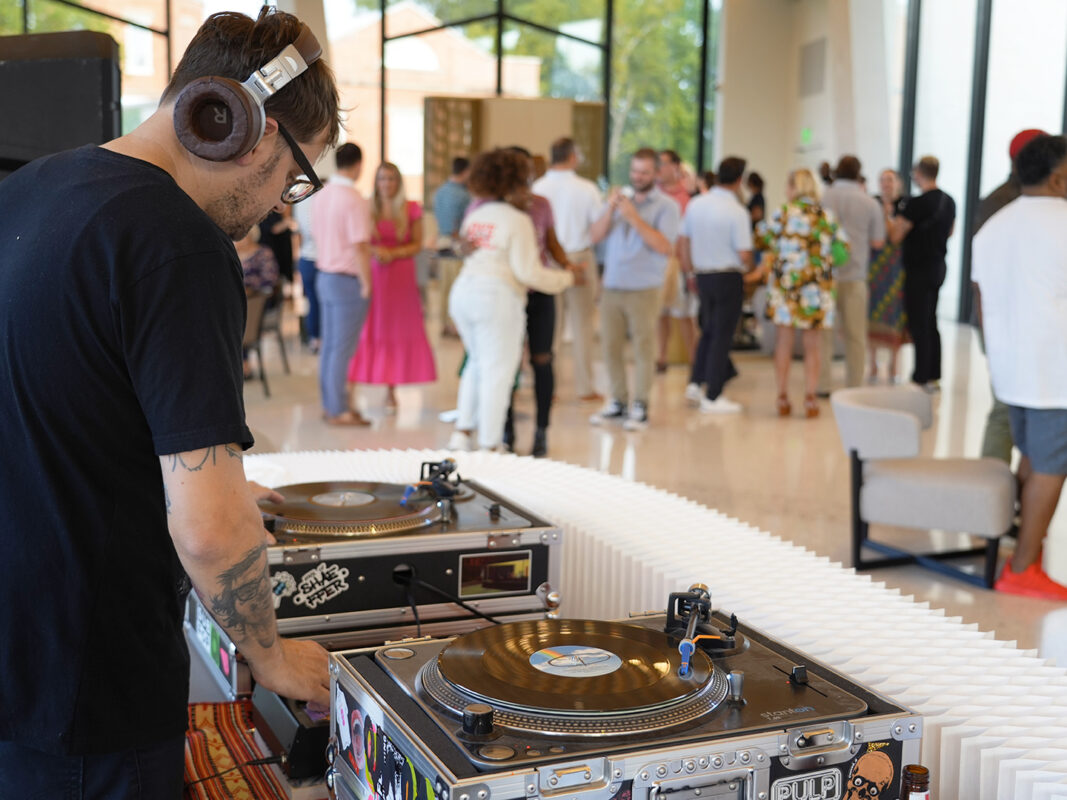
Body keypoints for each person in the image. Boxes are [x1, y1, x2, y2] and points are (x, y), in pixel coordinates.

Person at [0, 8, 340, 796]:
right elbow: (213, 532)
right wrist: (273, 658)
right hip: (87, 692)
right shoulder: (177, 240)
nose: (279, 206)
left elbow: (56, 401)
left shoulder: (33, 186)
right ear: (242, 127)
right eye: (295, 175)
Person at [972, 133, 1067, 601]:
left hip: (1011, 370)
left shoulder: (994, 226)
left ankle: (1028, 551)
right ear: (1057, 176)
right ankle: (1024, 568)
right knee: (1050, 465)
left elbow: (982, 298)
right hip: (1055, 373)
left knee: (1031, 457)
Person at [448, 149, 581, 451]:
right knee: (499, 371)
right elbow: (529, 273)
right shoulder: (516, 220)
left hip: (464, 294)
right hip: (496, 298)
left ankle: (462, 433)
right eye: (524, 182)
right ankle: (491, 445)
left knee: (476, 364)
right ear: (511, 184)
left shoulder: (479, 214)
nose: (528, 189)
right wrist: (568, 279)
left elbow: (466, 248)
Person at [589, 148, 680, 431]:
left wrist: (633, 217)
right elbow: (594, 236)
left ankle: (640, 405)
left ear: (656, 174)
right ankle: (617, 401)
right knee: (610, 346)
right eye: (634, 171)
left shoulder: (666, 206)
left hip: (644, 287)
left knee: (643, 347)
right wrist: (612, 209)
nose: (637, 176)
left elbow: (665, 247)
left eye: (644, 172)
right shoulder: (619, 201)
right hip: (613, 285)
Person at [974, 128, 1046, 463]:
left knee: (1019, 411)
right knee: (1006, 409)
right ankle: (993, 494)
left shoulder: (1003, 199)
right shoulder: (1007, 204)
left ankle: (1004, 494)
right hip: (1006, 323)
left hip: (1011, 323)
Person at [753, 168, 847, 418]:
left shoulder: (782, 213)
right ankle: (810, 397)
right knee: (813, 345)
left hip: (787, 287)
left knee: (783, 342)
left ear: (795, 186)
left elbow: (760, 239)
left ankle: (782, 396)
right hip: (817, 289)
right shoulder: (827, 216)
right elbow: (843, 250)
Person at [505, 146, 580, 457]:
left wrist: (568, 265)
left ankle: (541, 430)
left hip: (540, 294)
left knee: (542, 360)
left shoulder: (541, 205)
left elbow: (552, 243)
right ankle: (506, 430)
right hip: (508, 296)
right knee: (508, 363)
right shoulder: (496, 207)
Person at [347, 163, 436, 412]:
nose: (387, 184)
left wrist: (393, 252)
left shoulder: (411, 209)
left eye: (391, 179)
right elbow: (360, 242)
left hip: (401, 277)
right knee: (370, 327)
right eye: (382, 179)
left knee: (398, 328)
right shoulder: (366, 207)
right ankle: (354, 384)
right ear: (376, 182)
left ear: (398, 182)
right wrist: (378, 251)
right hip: (375, 274)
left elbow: (418, 244)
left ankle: (392, 389)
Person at [678, 156, 754, 414]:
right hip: (728, 276)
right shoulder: (737, 211)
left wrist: (689, 270)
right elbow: (744, 253)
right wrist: (754, 266)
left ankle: (696, 382)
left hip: (702, 275)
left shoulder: (696, 204)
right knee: (721, 335)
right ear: (740, 180)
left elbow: (684, 241)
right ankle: (714, 394)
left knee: (708, 331)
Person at [532, 137, 604, 403]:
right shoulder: (587, 189)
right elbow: (597, 230)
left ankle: (549, 387)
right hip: (579, 258)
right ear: (572, 157)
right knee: (583, 325)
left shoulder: (538, 187)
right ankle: (585, 387)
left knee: (551, 326)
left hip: (547, 260)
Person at [312, 142, 373, 426]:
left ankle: (331, 404)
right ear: (358, 165)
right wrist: (367, 284)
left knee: (329, 346)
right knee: (342, 349)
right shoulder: (353, 198)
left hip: (324, 275)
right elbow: (360, 246)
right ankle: (339, 410)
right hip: (347, 279)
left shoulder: (322, 194)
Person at [889, 155, 955, 391]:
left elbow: (896, 235)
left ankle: (920, 376)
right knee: (931, 319)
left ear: (918, 173)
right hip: (938, 266)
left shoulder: (916, 204)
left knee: (919, 322)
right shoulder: (949, 201)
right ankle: (933, 375)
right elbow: (950, 232)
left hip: (918, 269)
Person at [819, 155, 885, 392]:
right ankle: (854, 385)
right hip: (856, 275)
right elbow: (878, 242)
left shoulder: (824, 197)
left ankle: (822, 384)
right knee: (856, 336)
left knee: (823, 335)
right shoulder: (869, 202)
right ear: (859, 173)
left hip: (825, 275)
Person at [655, 148, 699, 375]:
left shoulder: (688, 199)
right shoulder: (654, 195)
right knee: (660, 314)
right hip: (657, 264)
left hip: (680, 264)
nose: (659, 169)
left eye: (663, 163)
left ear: (676, 167)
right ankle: (661, 357)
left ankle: (694, 360)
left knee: (685, 315)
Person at [866, 169, 909, 382]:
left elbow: (896, 236)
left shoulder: (904, 205)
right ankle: (872, 363)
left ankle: (894, 366)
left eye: (890, 180)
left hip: (896, 265)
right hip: (875, 264)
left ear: (898, 183)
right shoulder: (873, 203)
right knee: (872, 311)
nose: (886, 184)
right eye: (882, 180)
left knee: (894, 313)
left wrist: (888, 217)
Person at [433, 156, 471, 337]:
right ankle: (455, 325)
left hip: (442, 242)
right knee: (457, 286)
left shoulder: (439, 191)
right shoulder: (465, 195)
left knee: (444, 286)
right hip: (457, 244)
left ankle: (444, 323)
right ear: (466, 172)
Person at [293, 191, 321, 352]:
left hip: (306, 258)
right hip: (318, 260)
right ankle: (317, 338)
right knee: (319, 303)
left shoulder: (301, 204)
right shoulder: (320, 206)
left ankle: (314, 339)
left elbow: (300, 236)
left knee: (312, 302)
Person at [236, 226, 281, 295]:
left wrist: (249, 287)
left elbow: (270, 279)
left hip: (258, 296)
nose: (236, 240)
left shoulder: (264, 253)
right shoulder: (232, 254)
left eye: (240, 236)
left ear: (251, 236)